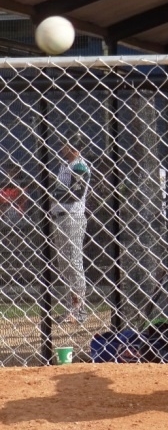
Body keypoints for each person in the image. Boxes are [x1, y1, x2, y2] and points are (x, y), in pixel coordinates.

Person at [50, 137, 91, 324]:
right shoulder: (65, 165)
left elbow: (76, 193)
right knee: (64, 265)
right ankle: (71, 309)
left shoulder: (80, 166)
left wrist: (51, 191)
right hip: (60, 218)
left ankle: (80, 310)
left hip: (72, 218)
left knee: (74, 263)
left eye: (65, 144)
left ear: (74, 147)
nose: (62, 147)